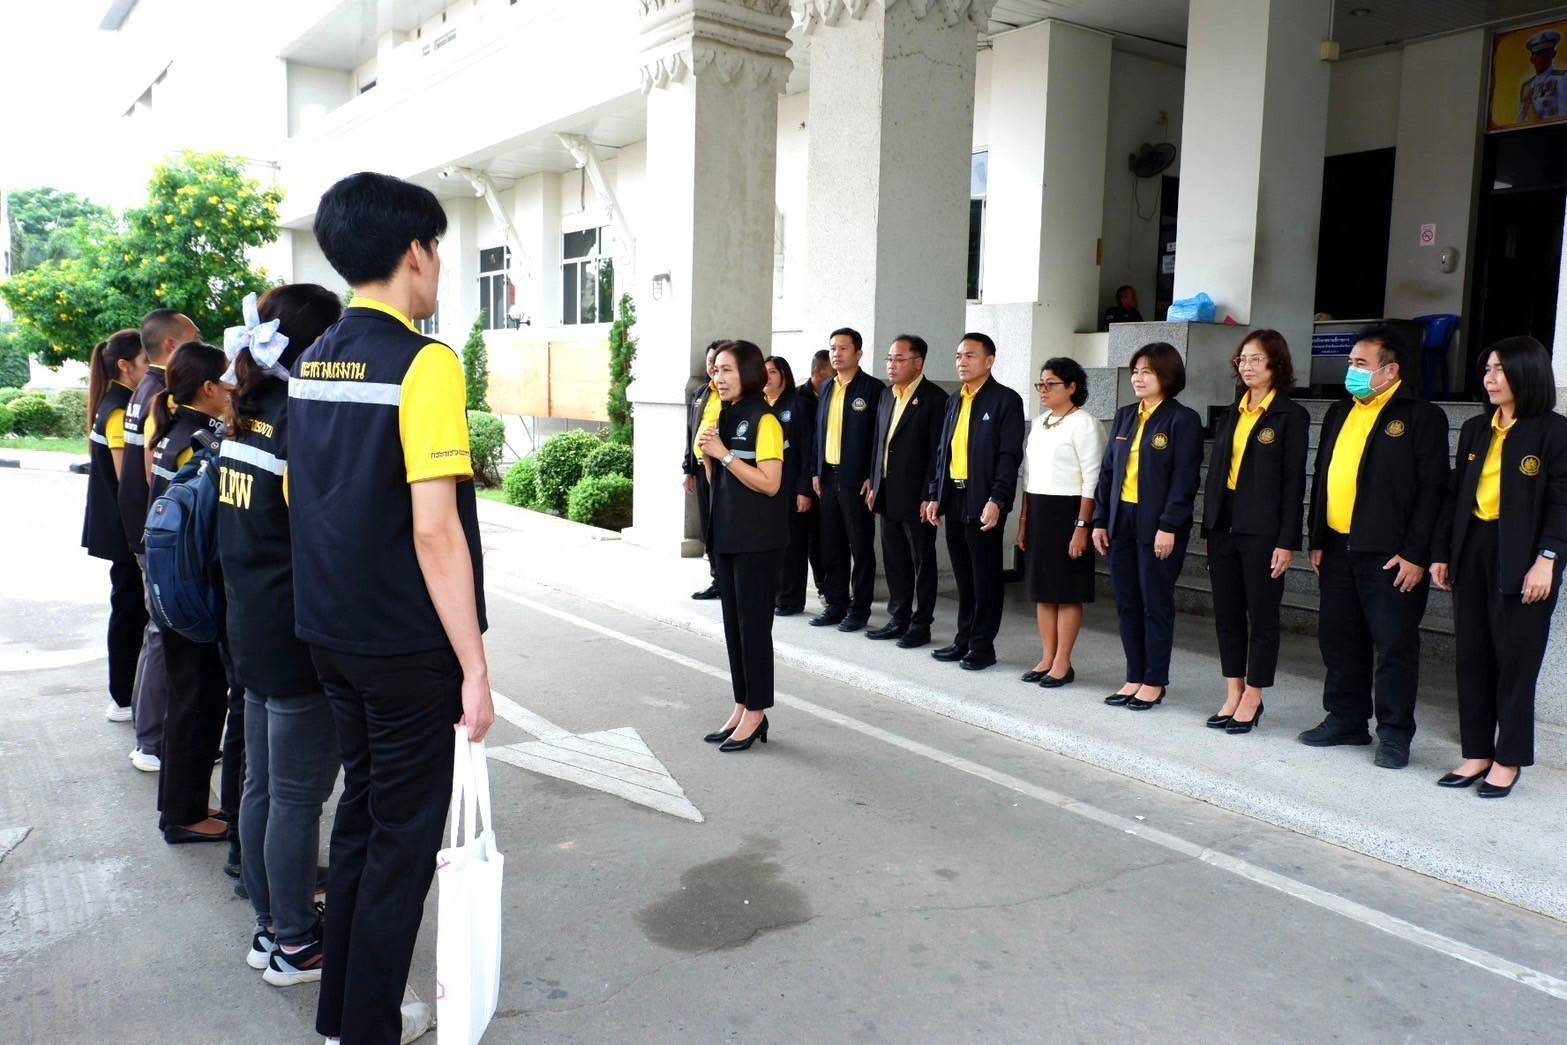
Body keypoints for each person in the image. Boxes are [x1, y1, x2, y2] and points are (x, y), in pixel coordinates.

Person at [289, 171, 493, 1045]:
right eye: (437, 248)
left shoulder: (311, 358)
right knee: (403, 843)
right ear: (414, 251)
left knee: (363, 816)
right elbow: (435, 531)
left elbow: (306, 498)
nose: (438, 264)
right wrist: (475, 667)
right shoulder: (424, 361)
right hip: (405, 643)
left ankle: (343, 1014)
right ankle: (367, 1027)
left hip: (329, 629)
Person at [216, 285, 344, 985]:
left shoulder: (249, 411)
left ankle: (270, 927)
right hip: (294, 634)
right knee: (295, 796)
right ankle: (296, 942)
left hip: (249, 624)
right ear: (315, 344)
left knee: (263, 785)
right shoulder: (300, 419)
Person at [1301, 324, 1447, 769]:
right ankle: (1346, 719)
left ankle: (1395, 733)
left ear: (1390, 371)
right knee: (1339, 638)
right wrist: (1318, 538)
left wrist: (1417, 554)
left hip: (1391, 554)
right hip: (1338, 547)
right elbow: (1323, 476)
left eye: (1361, 364)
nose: (1352, 371)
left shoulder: (1421, 416)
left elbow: (1433, 491)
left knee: (1393, 645)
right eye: (1350, 363)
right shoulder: (1340, 411)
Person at [1430, 337, 1567, 798]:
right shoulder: (1476, 428)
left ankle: (1508, 759)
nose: (1490, 379)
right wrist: (1443, 552)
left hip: (1525, 556)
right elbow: (1455, 496)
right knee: (1472, 655)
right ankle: (1476, 753)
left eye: (1500, 370)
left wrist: (1547, 559)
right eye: (1487, 369)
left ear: (1526, 374)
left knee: (1516, 662)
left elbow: (1562, 503)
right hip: (1474, 548)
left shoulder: (1554, 433)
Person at [1199, 331, 1310, 733]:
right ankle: (1233, 690)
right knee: (1227, 614)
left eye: (1256, 359)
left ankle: (1254, 694)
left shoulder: (1290, 416)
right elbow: (1217, 474)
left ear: (1276, 364)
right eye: (1242, 359)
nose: (1247, 366)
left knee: (1262, 615)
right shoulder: (1232, 413)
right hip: (1224, 526)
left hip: (1263, 530)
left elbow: (1293, 483)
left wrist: (1287, 541)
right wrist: (1209, 526)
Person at [147, 340, 231, 844]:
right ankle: (184, 816)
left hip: (171, 583)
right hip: (189, 588)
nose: (234, 388)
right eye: (227, 379)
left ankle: (184, 804)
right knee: (197, 704)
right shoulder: (196, 442)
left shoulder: (174, 433)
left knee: (189, 699)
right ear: (208, 388)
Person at [1092, 342, 1203, 709]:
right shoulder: (1126, 415)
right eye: (1135, 371)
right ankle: (1134, 676)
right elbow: (1108, 472)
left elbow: (1185, 479)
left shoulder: (1182, 420)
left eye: (1148, 372)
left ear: (1167, 376)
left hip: (1158, 523)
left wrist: (1169, 525)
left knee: (1155, 602)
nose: (1138, 378)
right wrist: (1099, 519)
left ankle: (1155, 680)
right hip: (1120, 519)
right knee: (1127, 601)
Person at [119, 308, 200, 772]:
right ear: (171, 345)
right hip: (157, 535)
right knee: (162, 635)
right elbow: (158, 476)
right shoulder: (160, 396)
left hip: (146, 527)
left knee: (158, 632)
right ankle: (151, 739)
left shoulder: (146, 390)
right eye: (194, 338)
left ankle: (150, 733)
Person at [698, 340, 789, 752]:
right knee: (734, 629)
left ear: (749, 373)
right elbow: (720, 481)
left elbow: (770, 483)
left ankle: (757, 712)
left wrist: (723, 454)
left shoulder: (764, 420)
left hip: (758, 540)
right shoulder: (725, 414)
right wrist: (708, 457)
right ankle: (742, 705)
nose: (718, 377)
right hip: (728, 534)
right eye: (716, 370)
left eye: (727, 370)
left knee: (753, 629)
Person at [924, 333, 1025, 671]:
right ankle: (963, 639)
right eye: (958, 356)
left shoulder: (1005, 400)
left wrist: (999, 499)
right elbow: (943, 452)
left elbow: (1009, 456)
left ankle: (983, 646)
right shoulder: (955, 400)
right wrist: (935, 495)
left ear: (989, 361)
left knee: (985, 577)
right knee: (964, 575)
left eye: (969, 355)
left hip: (984, 498)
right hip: (954, 496)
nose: (962, 362)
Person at [1018, 357, 1103, 688]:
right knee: (1042, 589)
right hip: (1039, 509)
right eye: (1041, 383)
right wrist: (1024, 521)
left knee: (1067, 590)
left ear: (1071, 387)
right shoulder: (1040, 423)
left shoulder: (1085, 424)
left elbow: (1092, 479)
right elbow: (1029, 476)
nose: (1043, 389)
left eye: (1051, 384)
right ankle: (1047, 656)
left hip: (1070, 511)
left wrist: (1082, 526)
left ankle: (1063, 662)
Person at [83, 330, 150, 725]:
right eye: (145, 362)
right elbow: (130, 480)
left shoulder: (117, 402)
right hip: (123, 530)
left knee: (128, 608)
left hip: (117, 527)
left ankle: (124, 693)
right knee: (128, 611)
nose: (151, 369)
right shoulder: (118, 410)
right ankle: (122, 697)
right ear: (124, 366)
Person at [868, 335, 948, 649]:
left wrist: (931, 494)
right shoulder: (886, 395)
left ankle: (921, 623)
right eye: (889, 359)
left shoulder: (935, 399)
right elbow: (879, 443)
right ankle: (898, 616)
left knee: (921, 560)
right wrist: (873, 481)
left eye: (899, 359)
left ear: (918, 362)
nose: (892, 365)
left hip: (918, 496)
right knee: (894, 557)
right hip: (888, 491)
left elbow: (937, 454)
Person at [811, 327, 885, 631]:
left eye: (843, 348)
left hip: (857, 480)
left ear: (858, 353)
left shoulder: (873, 389)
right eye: (833, 348)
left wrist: (872, 476)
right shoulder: (828, 387)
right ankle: (836, 603)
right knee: (831, 543)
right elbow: (819, 432)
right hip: (828, 476)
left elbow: (879, 438)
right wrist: (816, 470)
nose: (836, 354)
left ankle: (860, 608)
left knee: (860, 546)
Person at [765, 355, 818, 616]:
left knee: (793, 547)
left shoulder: (799, 405)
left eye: (772, 372)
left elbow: (808, 450)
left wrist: (804, 490)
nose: (767, 377)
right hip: (765, 489)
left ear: (784, 376)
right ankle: (772, 595)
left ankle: (790, 600)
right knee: (770, 546)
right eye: (763, 372)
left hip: (792, 488)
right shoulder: (758, 406)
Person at [684, 341, 724, 600]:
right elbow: (691, 431)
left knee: (722, 524)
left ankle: (726, 578)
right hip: (700, 468)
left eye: (719, 364)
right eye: (710, 362)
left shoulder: (731, 394)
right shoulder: (701, 392)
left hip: (723, 468)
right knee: (708, 526)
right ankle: (716, 578)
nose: (713, 367)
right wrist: (687, 468)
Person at [1519, 30, 1565, 123]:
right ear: (1532, 59)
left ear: (1553, 54)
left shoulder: (1562, 78)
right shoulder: (1527, 86)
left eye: (1545, 52)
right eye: (1537, 53)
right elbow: (1522, 119)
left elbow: (1564, 116)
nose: (1542, 57)